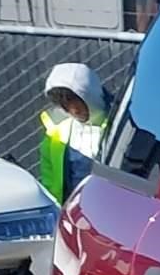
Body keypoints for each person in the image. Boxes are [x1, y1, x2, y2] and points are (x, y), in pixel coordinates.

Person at [36, 63, 110, 200]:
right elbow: (48, 174)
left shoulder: (116, 128)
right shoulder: (55, 132)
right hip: (68, 208)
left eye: (76, 102)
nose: (73, 111)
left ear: (90, 95)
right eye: (65, 105)